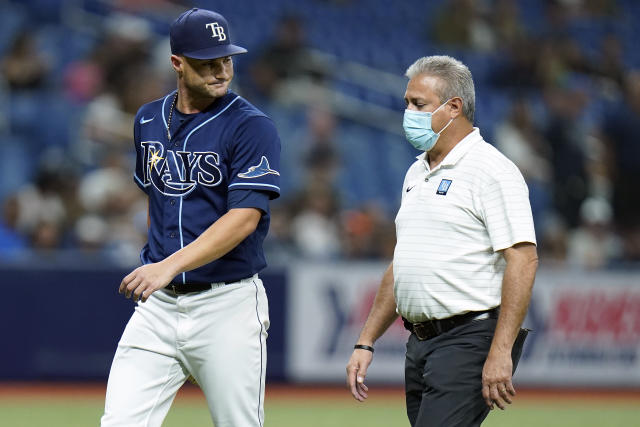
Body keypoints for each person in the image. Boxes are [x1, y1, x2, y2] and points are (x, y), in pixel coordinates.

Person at [101, 8, 281, 427]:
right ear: (176, 63)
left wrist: (167, 265)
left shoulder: (252, 126)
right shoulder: (147, 118)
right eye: (207, 62)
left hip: (227, 305)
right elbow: (155, 196)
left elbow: (245, 218)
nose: (221, 71)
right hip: (158, 308)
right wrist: (160, 262)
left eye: (227, 60)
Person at [346, 55, 538, 426]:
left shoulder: (492, 170)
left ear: (454, 107)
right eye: (407, 103)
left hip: (467, 339)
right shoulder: (417, 170)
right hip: (419, 343)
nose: (408, 113)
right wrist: (365, 340)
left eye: (418, 104)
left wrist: (501, 351)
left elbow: (523, 259)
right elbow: (403, 263)